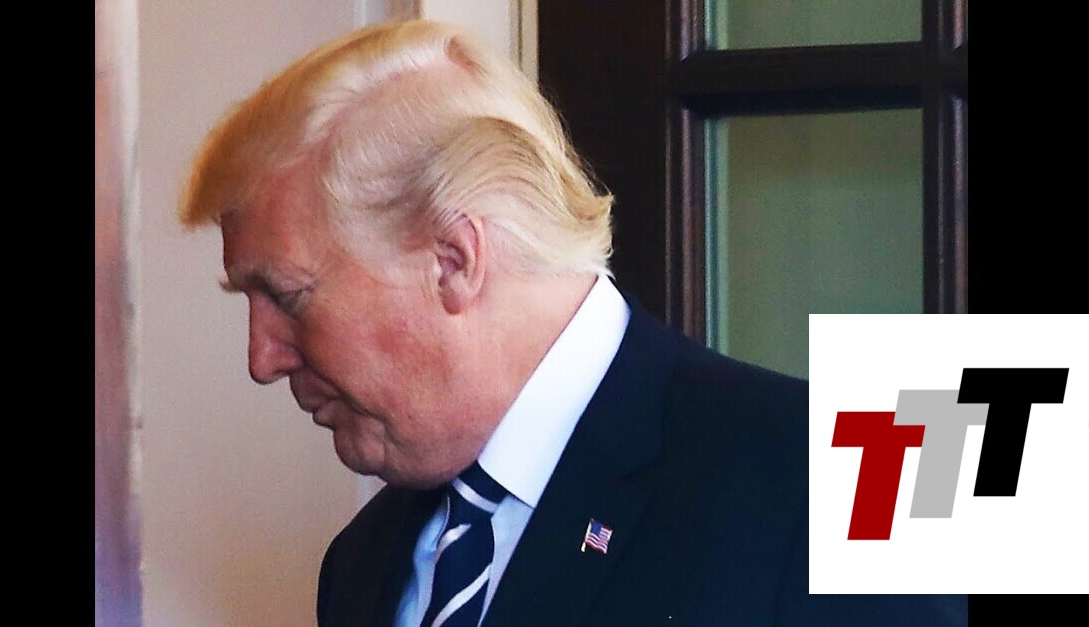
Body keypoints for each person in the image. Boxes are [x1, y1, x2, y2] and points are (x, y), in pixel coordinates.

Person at [179, 19, 967, 627]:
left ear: (453, 260)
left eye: (287, 296)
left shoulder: (858, 474)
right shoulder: (363, 563)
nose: (261, 357)